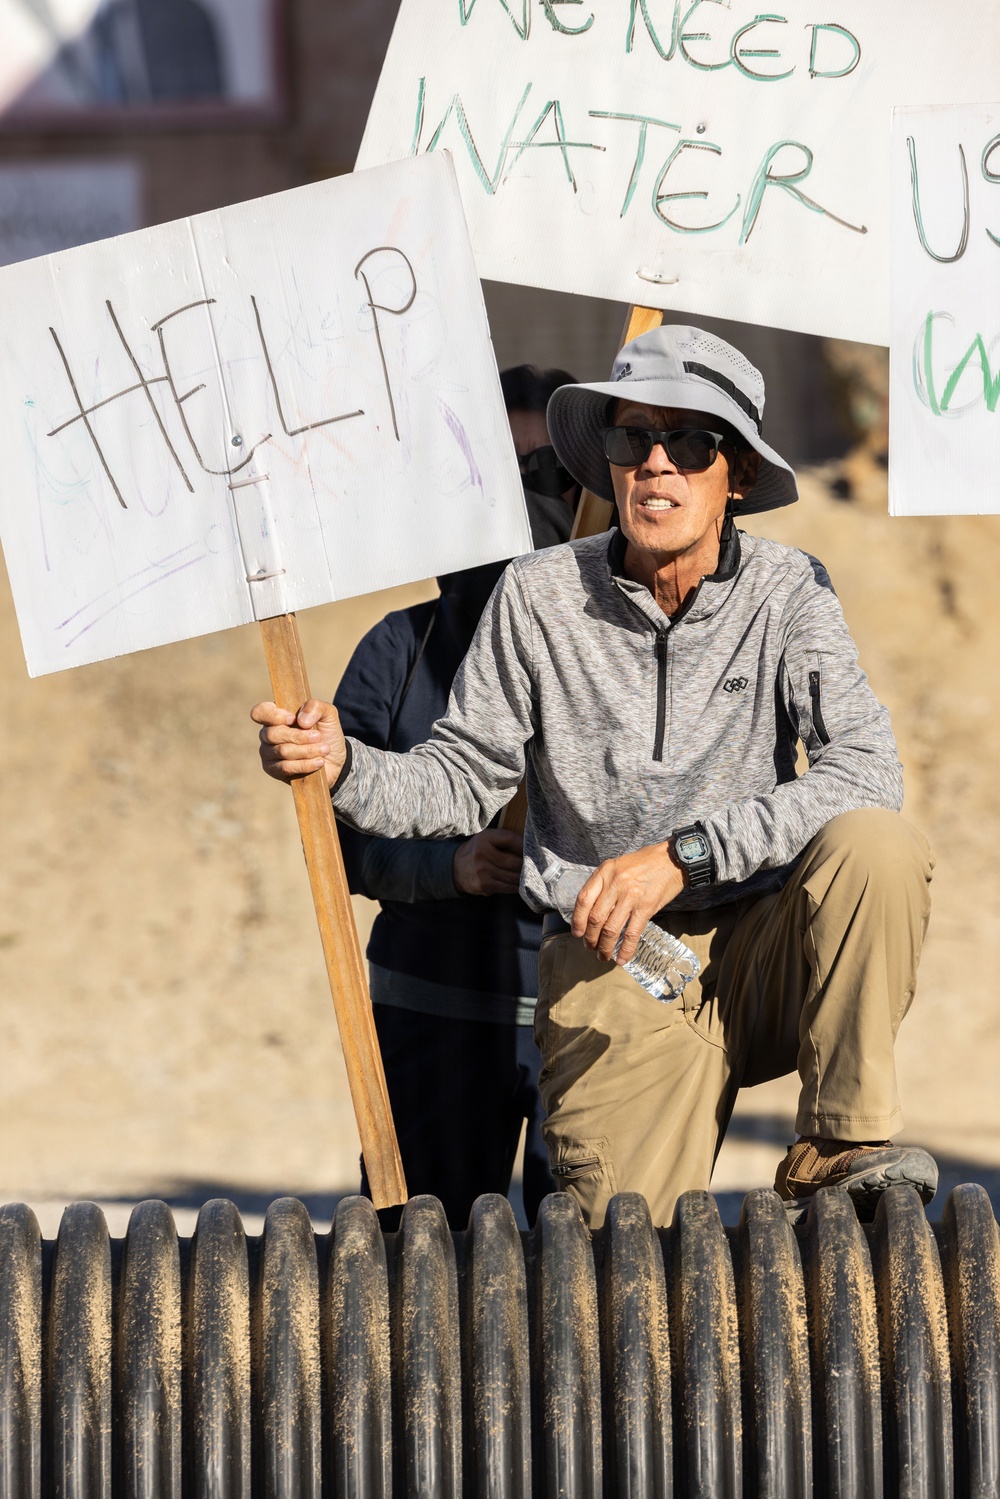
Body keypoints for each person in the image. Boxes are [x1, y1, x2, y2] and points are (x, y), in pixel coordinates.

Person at [254, 325, 936, 1229]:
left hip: (768, 950)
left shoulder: (792, 589)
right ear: (609, 463)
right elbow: (457, 781)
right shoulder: (534, 596)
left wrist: (682, 857)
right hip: (622, 965)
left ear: (734, 474)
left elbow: (867, 768)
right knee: (616, 1281)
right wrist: (342, 764)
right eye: (631, 438)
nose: (657, 463)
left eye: (690, 442)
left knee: (876, 845)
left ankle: (840, 1139)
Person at [329, 366, 575, 1231]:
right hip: (428, 1021)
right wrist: (449, 868)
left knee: (586, 1296)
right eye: (499, 478)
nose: (524, 508)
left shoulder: (630, 660)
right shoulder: (400, 649)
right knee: (414, 1292)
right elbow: (339, 844)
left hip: (582, 1035)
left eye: (553, 481)